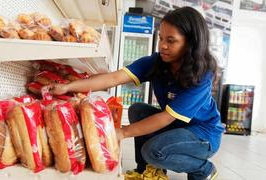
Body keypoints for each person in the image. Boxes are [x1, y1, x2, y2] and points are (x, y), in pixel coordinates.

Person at [43, 7, 224, 180]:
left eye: (171, 40)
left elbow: (166, 118)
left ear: (190, 43)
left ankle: (203, 170)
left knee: (152, 151)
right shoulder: (157, 62)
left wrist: (122, 132)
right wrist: (68, 87)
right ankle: (146, 169)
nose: (162, 46)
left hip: (203, 134)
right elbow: (114, 78)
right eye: (161, 38)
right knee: (138, 110)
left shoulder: (202, 76)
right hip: (179, 126)